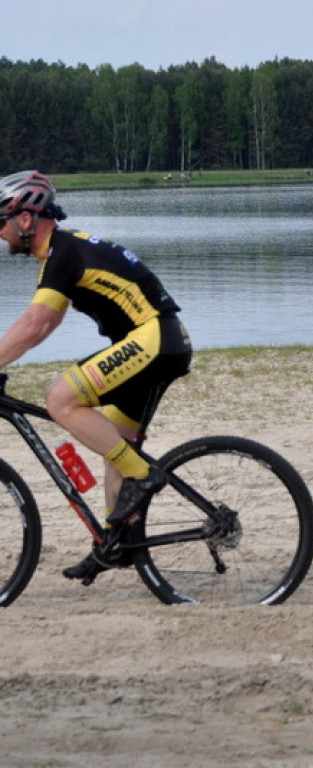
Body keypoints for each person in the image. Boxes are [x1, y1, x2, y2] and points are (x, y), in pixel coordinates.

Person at [0, 170, 192, 582]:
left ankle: (144, 476)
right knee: (115, 446)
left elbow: (33, 325)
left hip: (154, 339)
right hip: (162, 340)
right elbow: (47, 322)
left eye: (2, 222)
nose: (0, 233)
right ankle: (115, 544)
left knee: (59, 398)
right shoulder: (63, 253)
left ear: (26, 219)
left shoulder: (62, 252)